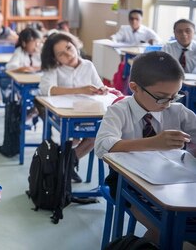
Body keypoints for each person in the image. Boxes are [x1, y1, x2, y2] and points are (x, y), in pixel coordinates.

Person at [95, 51, 196, 244]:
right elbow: (102, 147)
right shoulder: (119, 111)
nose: (168, 103)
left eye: (175, 96)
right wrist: (153, 143)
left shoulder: (177, 110)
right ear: (135, 88)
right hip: (127, 182)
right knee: (166, 230)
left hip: (171, 180)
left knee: (179, 227)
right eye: (161, 97)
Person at [39, 32, 109, 182]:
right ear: (55, 58)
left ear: (75, 45)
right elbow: (47, 89)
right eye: (61, 54)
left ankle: (66, 163)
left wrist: (102, 90)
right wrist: (80, 90)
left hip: (86, 112)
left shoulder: (88, 65)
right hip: (63, 114)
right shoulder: (54, 68)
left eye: (69, 48)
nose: (68, 55)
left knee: (97, 134)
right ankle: (66, 163)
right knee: (77, 136)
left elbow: (98, 86)